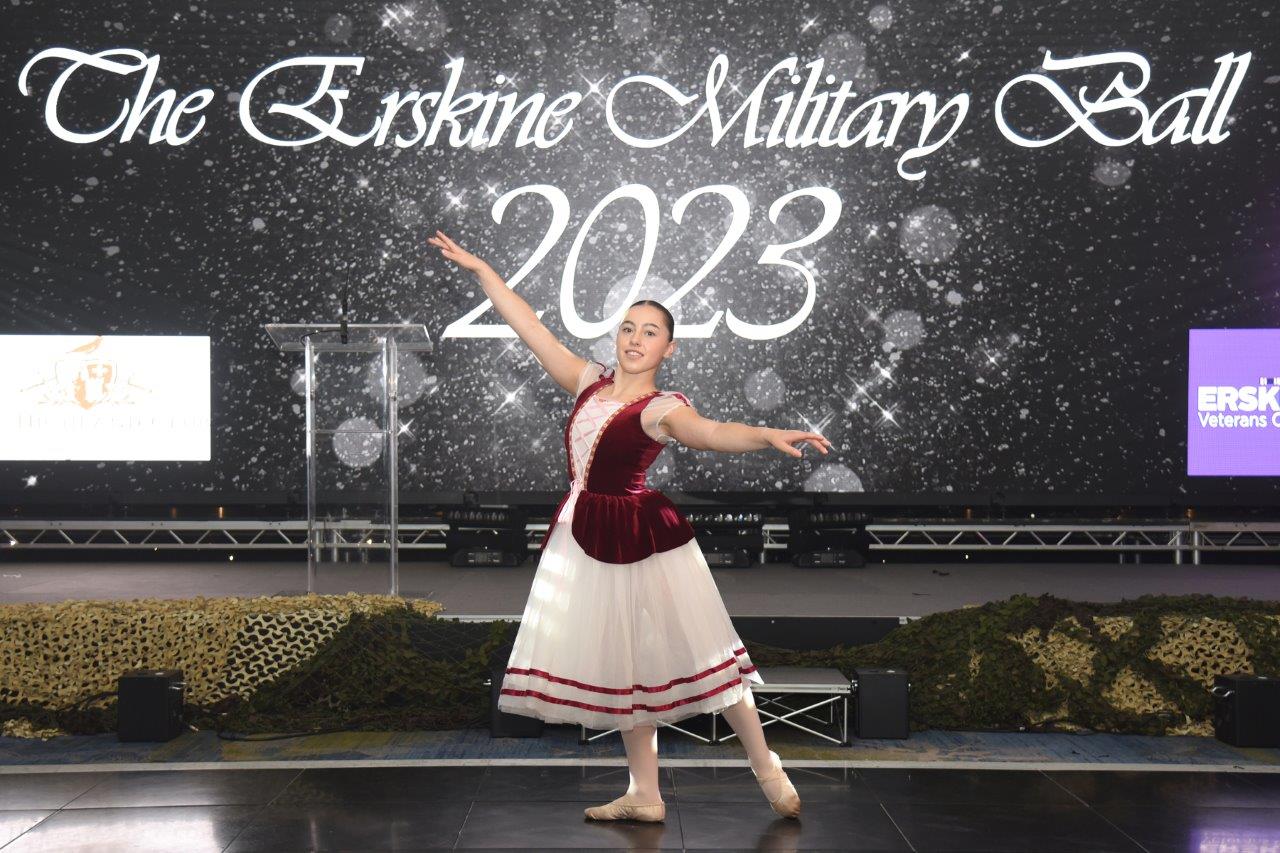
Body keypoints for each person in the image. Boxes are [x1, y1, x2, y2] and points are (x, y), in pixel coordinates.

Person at [427, 229, 832, 822]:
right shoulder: (587, 380)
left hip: (642, 537)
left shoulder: (662, 407)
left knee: (704, 653)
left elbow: (711, 433)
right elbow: (531, 327)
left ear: (669, 348)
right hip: (584, 535)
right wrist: (483, 271)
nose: (636, 339)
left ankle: (766, 765)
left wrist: (765, 435)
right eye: (628, 328)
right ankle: (644, 792)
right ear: (615, 336)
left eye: (650, 332)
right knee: (624, 665)